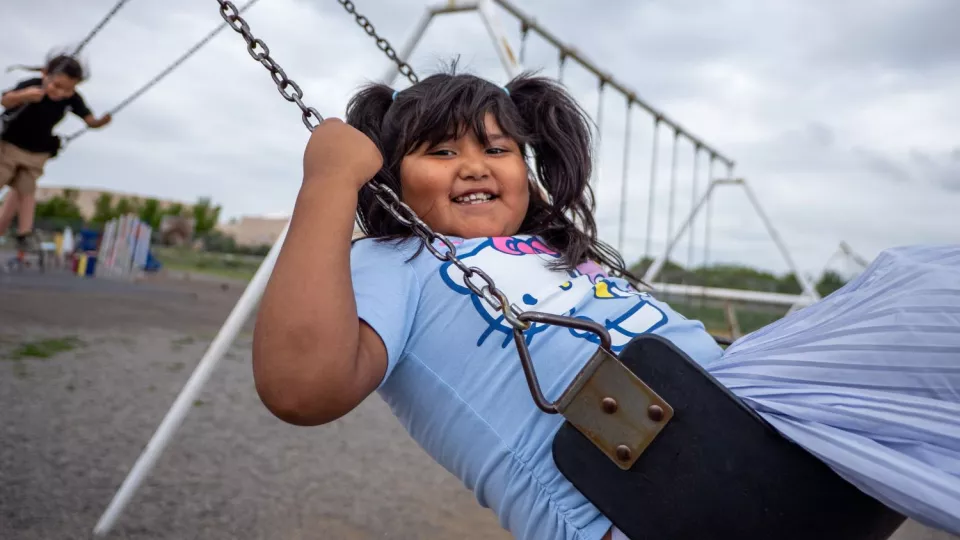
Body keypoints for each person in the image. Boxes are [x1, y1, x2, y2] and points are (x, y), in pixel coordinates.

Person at [251, 68, 960, 540]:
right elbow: (300, 385)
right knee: (928, 297)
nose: (474, 164)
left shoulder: (555, 245)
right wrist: (328, 183)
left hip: (751, 417)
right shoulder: (395, 261)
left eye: (498, 149)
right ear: (389, 182)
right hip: (641, 489)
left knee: (920, 287)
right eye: (439, 151)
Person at [0, 52, 111, 250]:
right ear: (45, 74)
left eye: (68, 90)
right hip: (10, 146)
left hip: (36, 153)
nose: (60, 93)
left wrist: (100, 122)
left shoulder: (72, 99)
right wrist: (25, 96)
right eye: (57, 86)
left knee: (27, 190)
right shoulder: (32, 85)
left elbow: (89, 119)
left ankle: (24, 233)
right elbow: (6, 100)